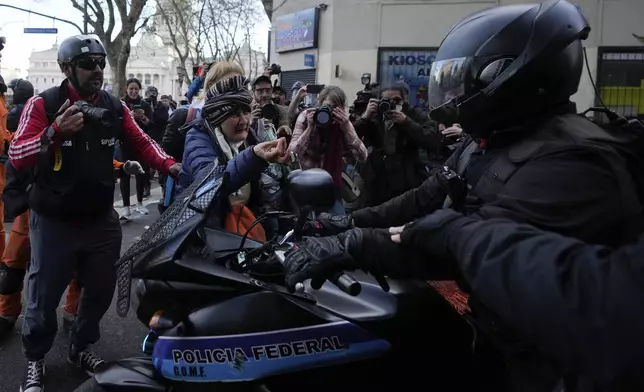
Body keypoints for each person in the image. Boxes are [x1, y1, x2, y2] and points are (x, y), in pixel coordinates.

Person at [282, 1, 643, 390]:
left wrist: (354, 244)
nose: (452, 93)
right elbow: (424, 197)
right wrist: (352, 221)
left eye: (463, 80)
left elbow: (465, 247)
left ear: (509, 77)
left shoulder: (572, 161)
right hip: (488, 327)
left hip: (545, 363)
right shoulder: (491, 140)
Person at [8, 34, 180, 392]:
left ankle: (80, 348)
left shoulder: (115, 106)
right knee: (43, 296)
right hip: (54, 219)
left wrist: (169, 165)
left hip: (100, 219)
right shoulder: (44, 105)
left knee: (100, 289)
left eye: (101, 63)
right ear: (66, 68)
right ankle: (35, 358)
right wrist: (54, 132)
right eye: (88, 64)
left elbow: (141, 140)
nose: (98, 70)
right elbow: (17, 154)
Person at [179, 74, 290, 238]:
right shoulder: (198, 139)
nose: (244, 121)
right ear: (218, 116)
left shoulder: (246, 135)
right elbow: (210, 184)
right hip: (201, 233)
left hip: (241, 223)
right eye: (234, 114)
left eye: (246, 111)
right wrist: (253, 157)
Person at [352, 82, 439, 206]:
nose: (392, 104)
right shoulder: (375, 114)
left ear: (405, 100)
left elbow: (432, 139)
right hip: (378, 177)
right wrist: (365, 117)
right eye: (387, 100)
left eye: (397, 100)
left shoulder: (413, 113)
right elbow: (350, 138)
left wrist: (406, 122)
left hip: (407, 176)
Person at [287, 86, 368, 214]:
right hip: (306, 183)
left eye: (335, 108)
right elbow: (292, 154)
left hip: (331, 184)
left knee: (337, 224)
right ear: (319, 105)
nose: (330, 111)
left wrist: (347, 128)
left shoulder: (343, 123)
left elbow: (362, 156)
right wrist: (310, 129)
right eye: (327, 106)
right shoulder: (306, 116)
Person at [119, 78, 153, 219]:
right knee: (124, 174)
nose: (133, 91)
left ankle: (139, 203)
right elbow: (115, 121)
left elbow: (151, 124)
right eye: (131, 89)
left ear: (139, 90)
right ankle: (126, 207)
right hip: (124, 144)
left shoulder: (145, 104)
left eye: (136, 89)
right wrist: (128, 118)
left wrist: (143, 118)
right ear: (126, 89)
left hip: (140, 145)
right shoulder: (121, 104)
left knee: (141, 174)